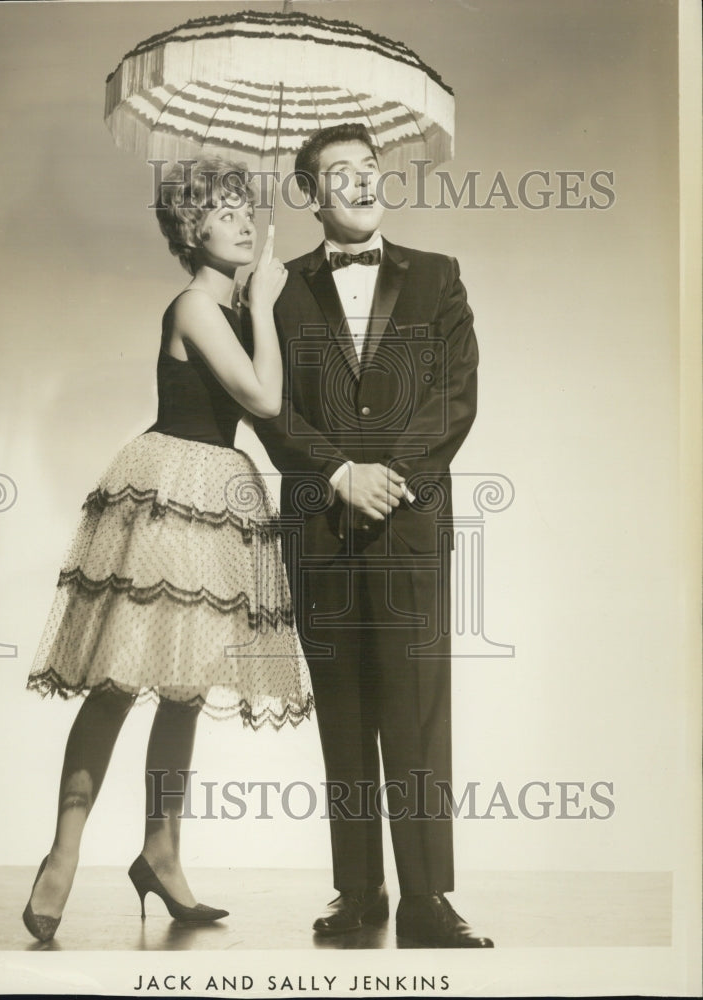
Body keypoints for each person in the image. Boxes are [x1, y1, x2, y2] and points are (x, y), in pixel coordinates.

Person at [22, 158, 311, 943]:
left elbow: (267, 412)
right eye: (222, 213)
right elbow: (264, 399)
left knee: (184, 686)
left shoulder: (234, 304)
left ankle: (161, 851)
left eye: (244, 209)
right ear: (191, 230)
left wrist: (263, 306)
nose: (244, 221)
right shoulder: (193, 305)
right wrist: (267, 305)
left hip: (218, 491)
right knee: (118, 681)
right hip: (170, 488)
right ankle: (62, 855)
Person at [253, 124, 492, 947]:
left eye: (369, 169)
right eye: (339, 174)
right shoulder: (275, 291)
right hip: (321, 526)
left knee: (418, 710)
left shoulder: (437, 276)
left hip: (411, 525)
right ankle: (359, 890)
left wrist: (385, 474)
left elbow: (455, 394)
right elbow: (267, 408)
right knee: (344, 712)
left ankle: (427, 899)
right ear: (309, 195)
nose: (360, 183)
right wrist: (337, 475)